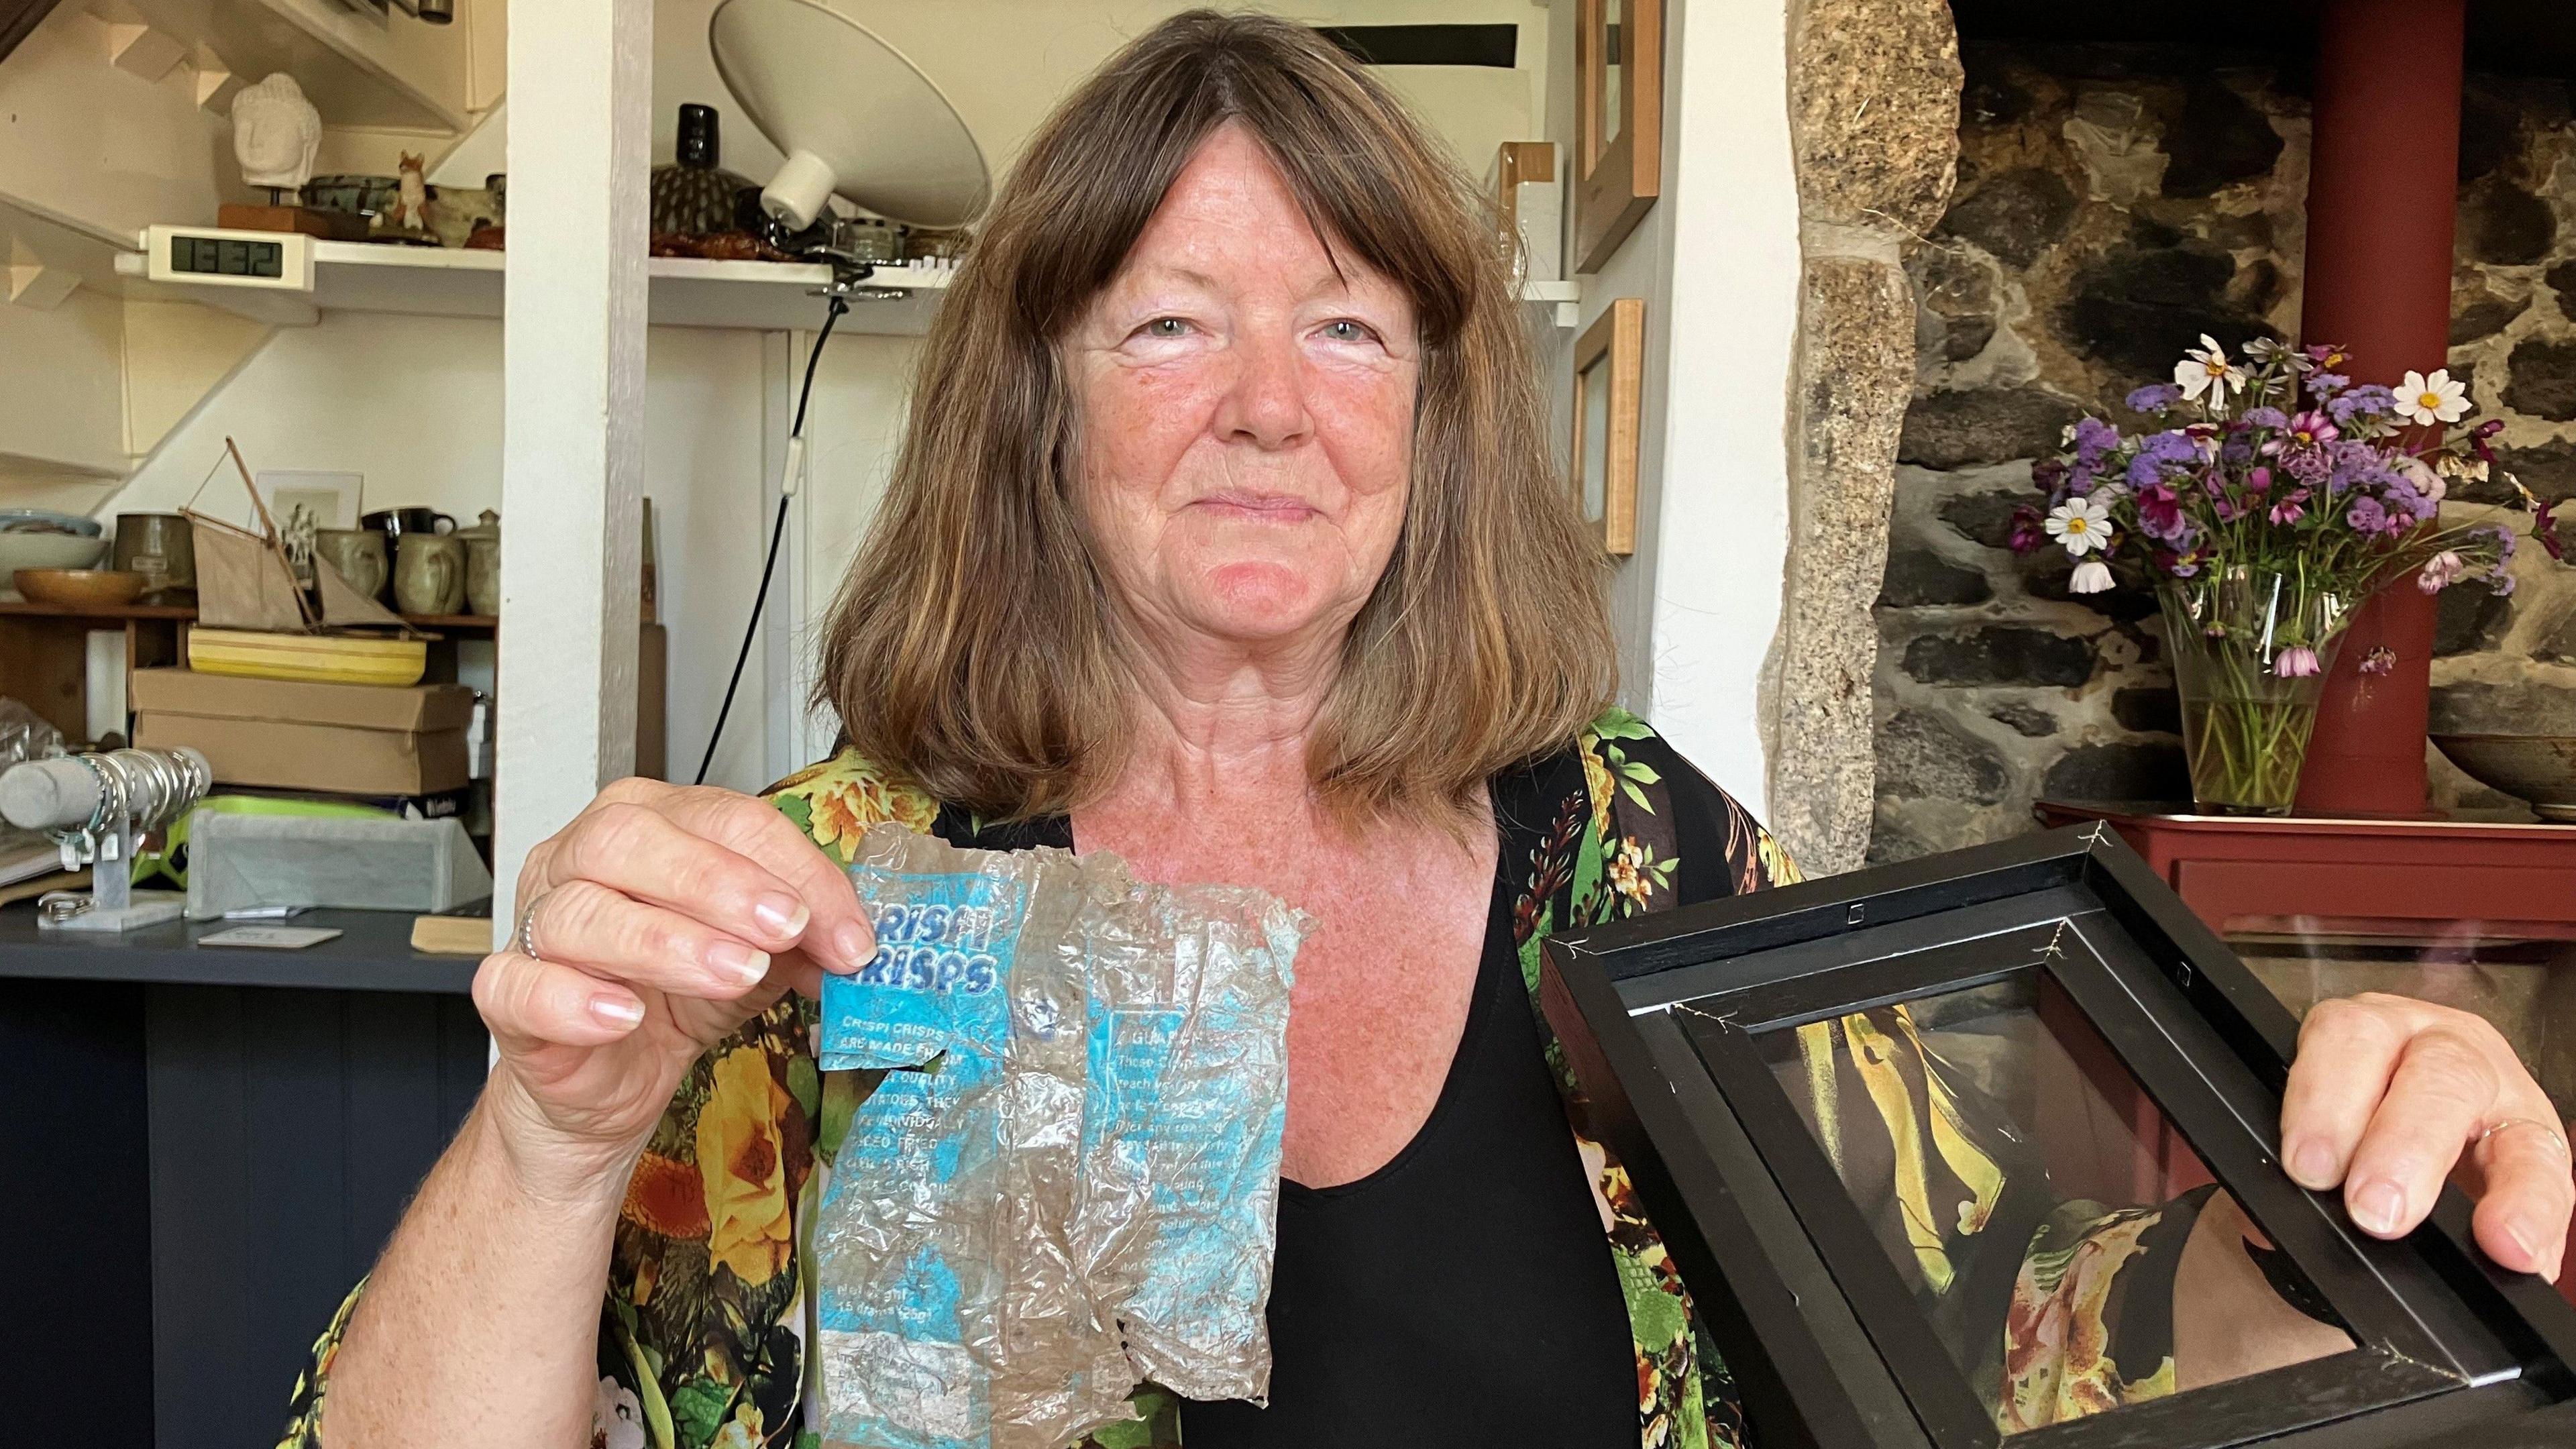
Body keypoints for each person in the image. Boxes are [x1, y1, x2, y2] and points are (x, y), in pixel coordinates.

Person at [282, 13, 2573, 1449]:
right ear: (1038, 408)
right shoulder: (816, 910)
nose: (1271, 406)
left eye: (1354, 333)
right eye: (1171, 322)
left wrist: (2332, 1222)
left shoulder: (1654, 863)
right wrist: (552, 1145)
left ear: (1441, 425)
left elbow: (1987, 1335)